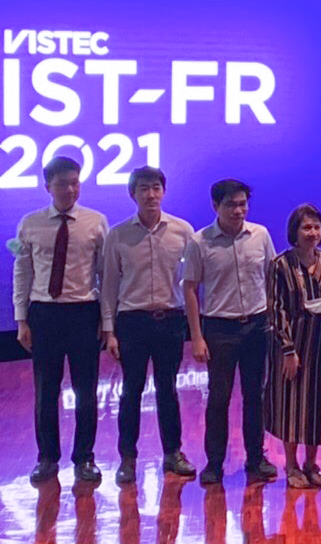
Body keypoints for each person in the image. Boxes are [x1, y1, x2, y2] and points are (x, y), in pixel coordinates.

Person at [13, 156, 108, 485]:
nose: (70, 189)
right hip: (45, 314)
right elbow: (23, 272)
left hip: (84, 312)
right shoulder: (30, 223)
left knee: (86, 391)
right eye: (62, 184)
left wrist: (106, 319)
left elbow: (105, 274)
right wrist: (21, 319)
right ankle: (47, 458)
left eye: (75, 183)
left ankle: (85, 457)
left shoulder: (96, 222)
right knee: (46, 391)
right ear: (48, 187)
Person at [101, 166, 196, 484]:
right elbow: (109, 285)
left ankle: (173, 453)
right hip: (133, 322)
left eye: (156, 187)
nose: (151, 194)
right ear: (133, 194)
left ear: (163, 191)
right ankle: (127, 458)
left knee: (168, 390)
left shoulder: (182, 231)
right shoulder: (118, 235)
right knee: (131, 391)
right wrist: (109, 331)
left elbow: (193, 281)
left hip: (170, 321)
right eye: (144, 188)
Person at [184, 178, 278, 485]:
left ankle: (256, 458)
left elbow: (271, 278)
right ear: (215, 206)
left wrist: (273, 319)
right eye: (230, 205)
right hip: (219, 329)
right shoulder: (200, 241)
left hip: (256, 326)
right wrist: (196, 336)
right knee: (219, 398)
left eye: (242, 204)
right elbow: (189, 288)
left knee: (255, 396)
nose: (238, 211)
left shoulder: (260, 235)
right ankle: (214, 463)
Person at [264, 204, 321, 489]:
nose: (312, 233)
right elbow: (276, 309)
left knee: (317, 406)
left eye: (316, 227)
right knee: (291, 405)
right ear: (294, 231)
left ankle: (311, 463)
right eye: (306, 228)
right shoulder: (281, 264)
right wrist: (288, 350)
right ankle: (291, 465)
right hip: (293, 346)